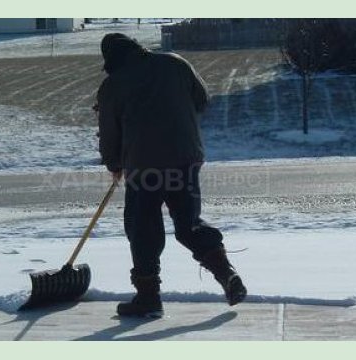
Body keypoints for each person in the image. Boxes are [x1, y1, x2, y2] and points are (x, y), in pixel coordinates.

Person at [96, 33, 247, 317]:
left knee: (143, 229)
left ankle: (148, 297)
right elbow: (201, 100)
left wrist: (114, 164)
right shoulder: (175, 63)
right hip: (185, 160)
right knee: (189, 224)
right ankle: (227, 274)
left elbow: (109, 134)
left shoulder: (112, 86)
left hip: (144, 168)